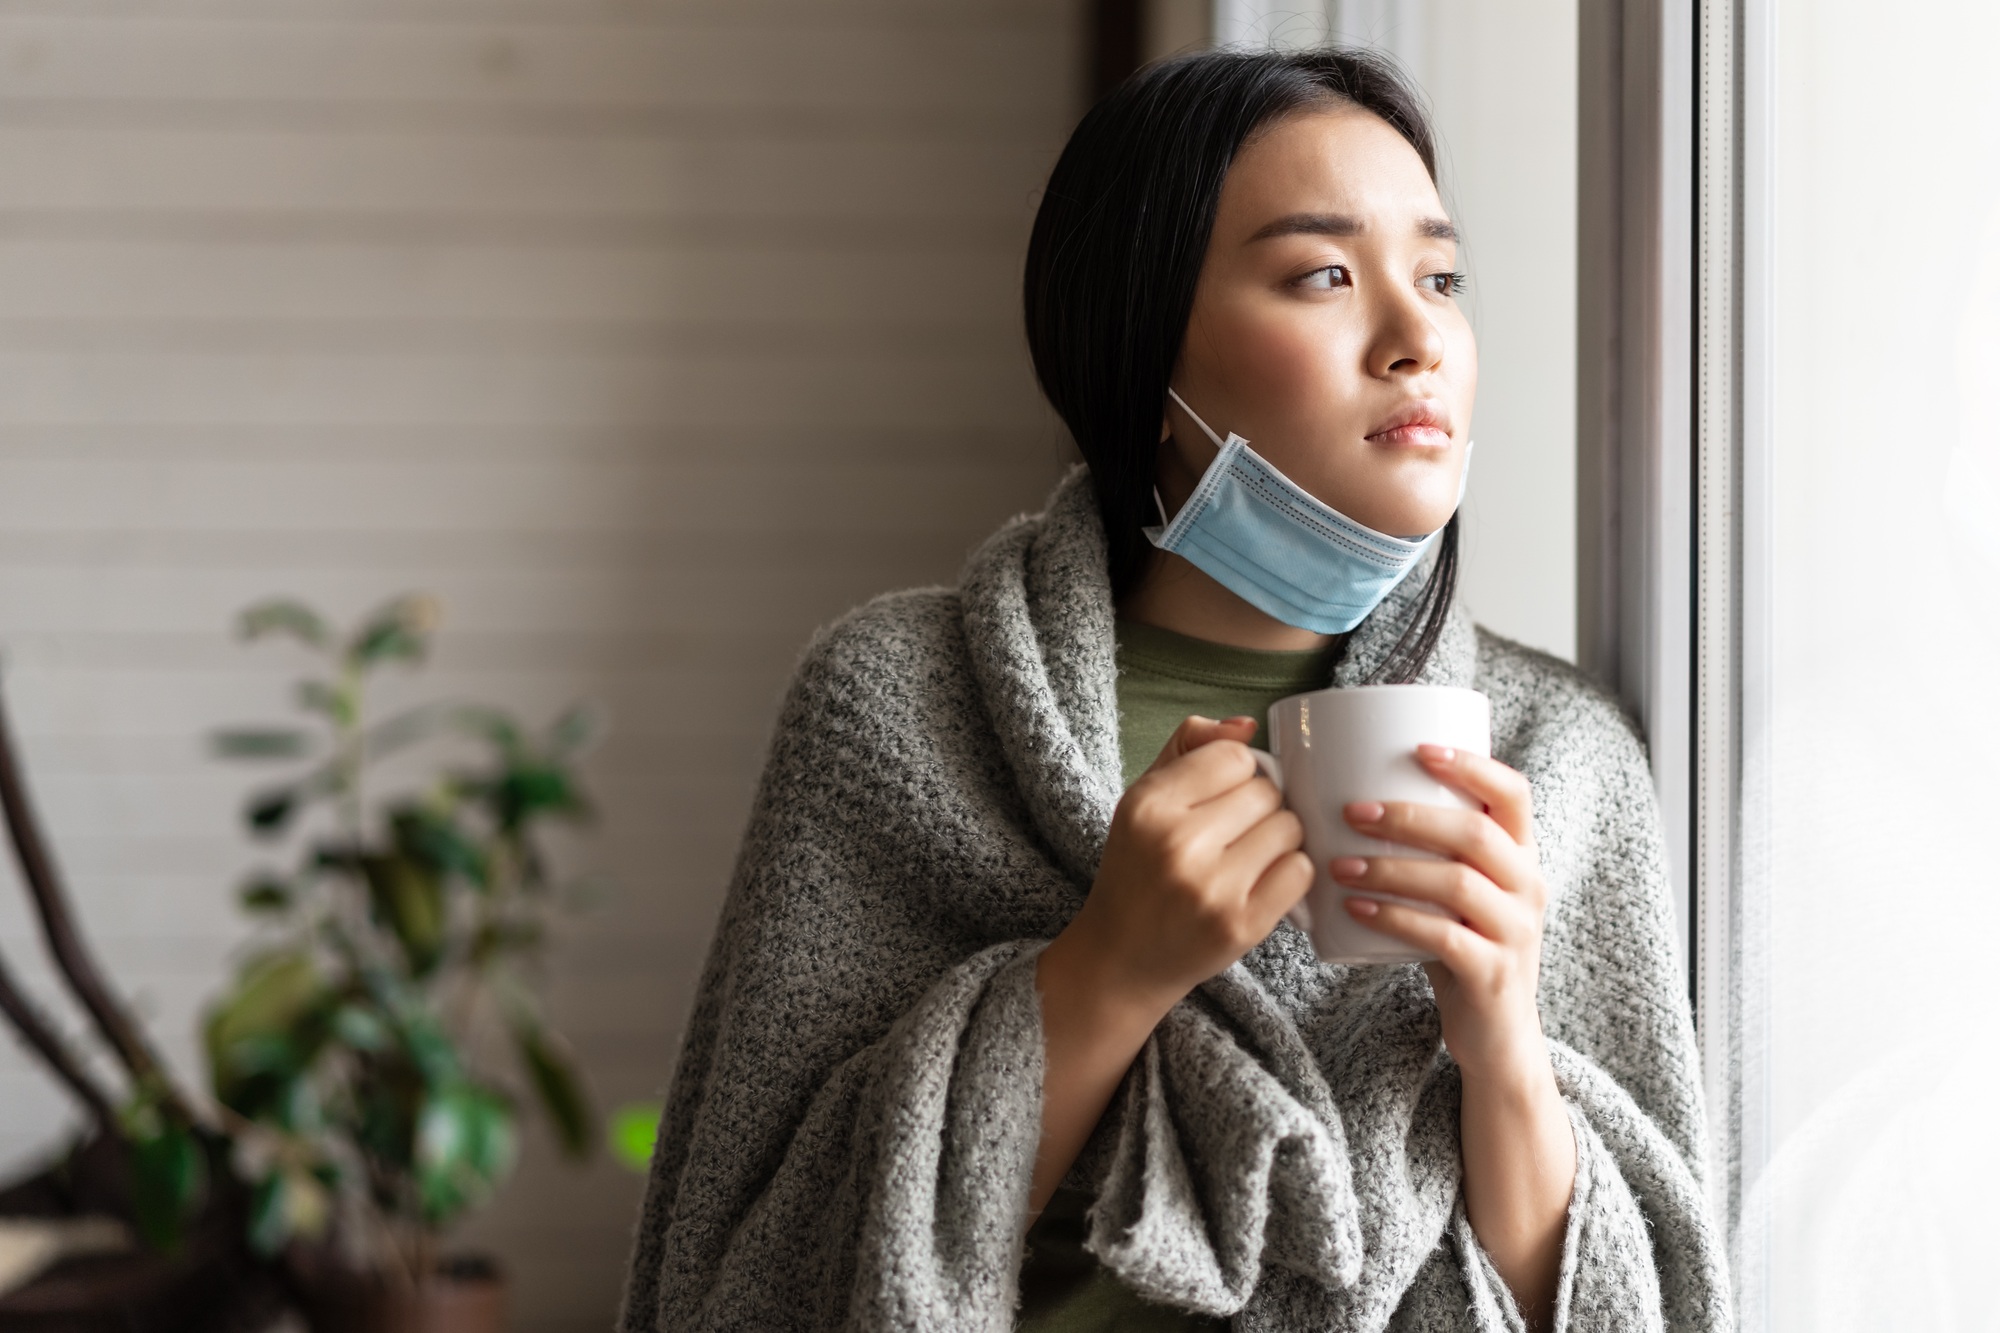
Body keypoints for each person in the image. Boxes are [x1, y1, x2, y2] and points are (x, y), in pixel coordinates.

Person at [619, 48, 1730, 1333]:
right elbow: (746, 1275)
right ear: (1144, 353)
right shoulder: (900, 708)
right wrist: (1104, 972)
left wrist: (1501, 1051)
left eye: (1438, 277)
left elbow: (1641, 1306)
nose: (1416, 336)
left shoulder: (1562, 759)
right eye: (1323, 274)